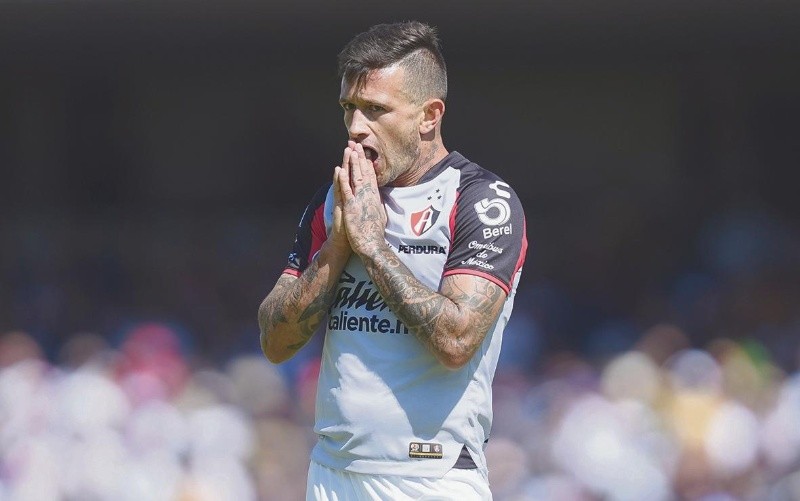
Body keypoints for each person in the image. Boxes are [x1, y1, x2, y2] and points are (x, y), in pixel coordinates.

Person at [258, 20, 528, 500]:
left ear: (429, 116)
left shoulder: (481, 200)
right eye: (349, 108)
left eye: (376, 109)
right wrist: (338, 245)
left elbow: (457, 340)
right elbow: (275, 341)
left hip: (432, 477)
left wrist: (373, 247)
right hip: (333, 474)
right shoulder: (336, 200)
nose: (356, 128)